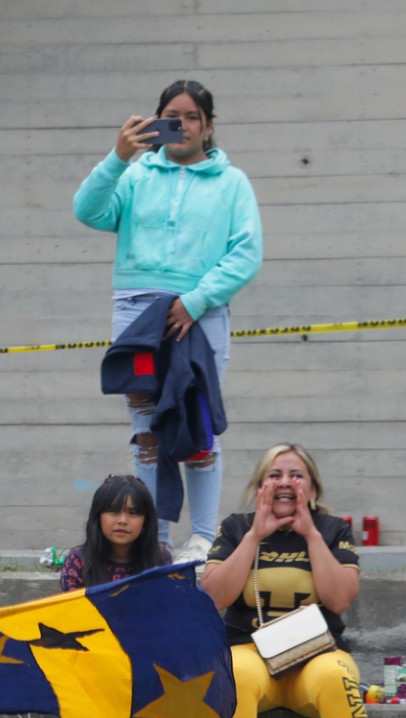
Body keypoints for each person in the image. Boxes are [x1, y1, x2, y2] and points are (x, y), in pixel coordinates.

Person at [73, 79, 261, 562]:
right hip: (136, 311)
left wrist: (195, 301)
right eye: (172, 117)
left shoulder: (232, 182)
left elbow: (246, 254)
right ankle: (154, 539)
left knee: (198, 423)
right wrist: (118, 156)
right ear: (157, 121)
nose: (183, 126)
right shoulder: (135, 175)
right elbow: (88, 211)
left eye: (193, 117)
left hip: (200, 314)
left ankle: (202, 537)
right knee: (146, 429)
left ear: (209, 126)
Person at [200, 445, 398, 718]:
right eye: (274, 475)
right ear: (259, 486)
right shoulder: (236, 527)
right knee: (234, 672)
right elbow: (214, 597)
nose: (285, 483)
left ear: (313, 488)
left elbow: (340, 599)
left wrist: (310, 534)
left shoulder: (333, 529)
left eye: (296, 475)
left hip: (314, 658)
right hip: (251, 655)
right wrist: (255, 536)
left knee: (338, 674)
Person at [58, 475, 188, 718]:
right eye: (113, 511)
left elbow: (165, 624)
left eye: (133, 512)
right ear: (97, 516)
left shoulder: (159, 560)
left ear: (146, 520)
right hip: (91, 667)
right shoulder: (78, 561)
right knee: (110, 686)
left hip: (143, 667)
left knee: (167, 688)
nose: (122, 520)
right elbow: (71, 627)